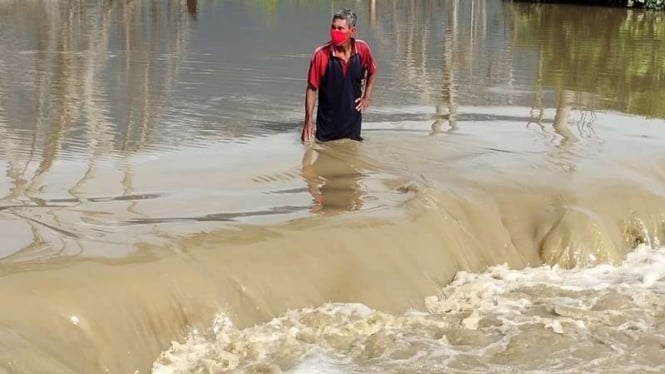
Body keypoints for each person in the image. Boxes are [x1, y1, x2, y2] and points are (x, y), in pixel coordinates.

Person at [301, 8, 377, 143]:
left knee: (352, 158)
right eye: (333, 27)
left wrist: (367, 97)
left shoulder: (362, 49)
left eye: (340, 29)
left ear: (352, 31)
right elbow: (312, 89)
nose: (335, 32)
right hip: (326, 128)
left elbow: (372, 70)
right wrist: (308, 121)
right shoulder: (321, 54)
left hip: (353, 126)